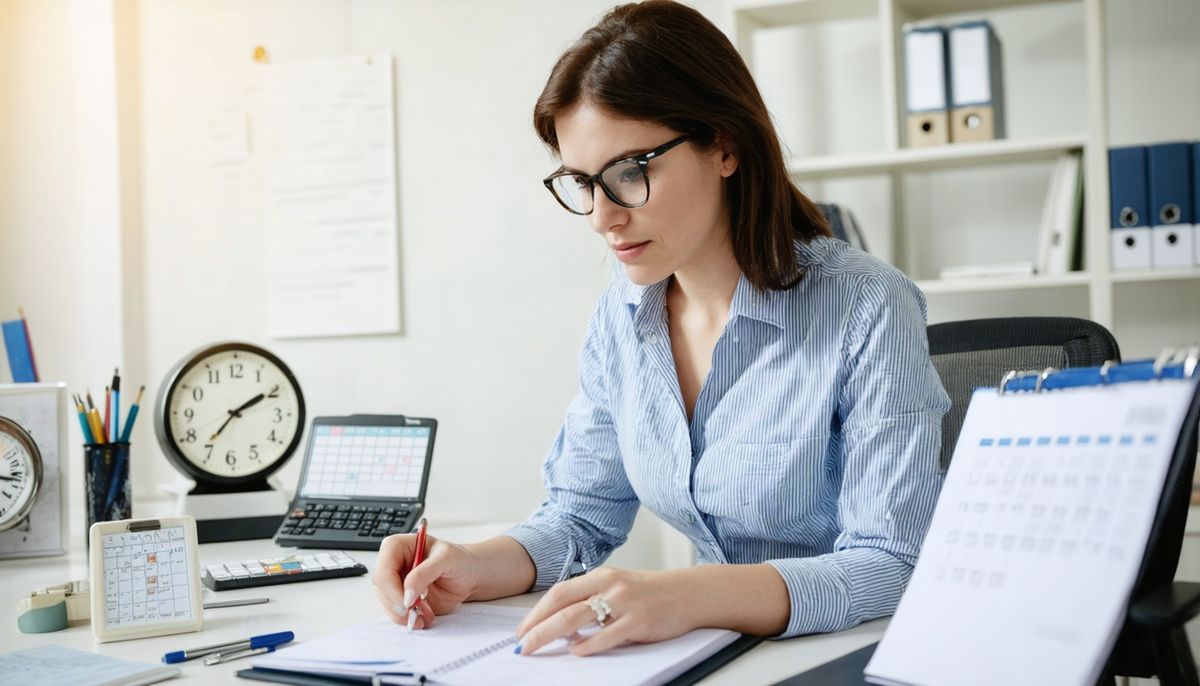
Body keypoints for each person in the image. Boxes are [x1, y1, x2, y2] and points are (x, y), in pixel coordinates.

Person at [373, 0, 949, 656]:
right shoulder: (621, 318)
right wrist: (472, 564)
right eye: (583, 182)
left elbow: (889, 564)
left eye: (629, 172)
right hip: (711, 654)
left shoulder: (866, 307)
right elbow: (579, 518)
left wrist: (684, 593)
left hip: (848, 654)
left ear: (724, 145)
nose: (601, 217)